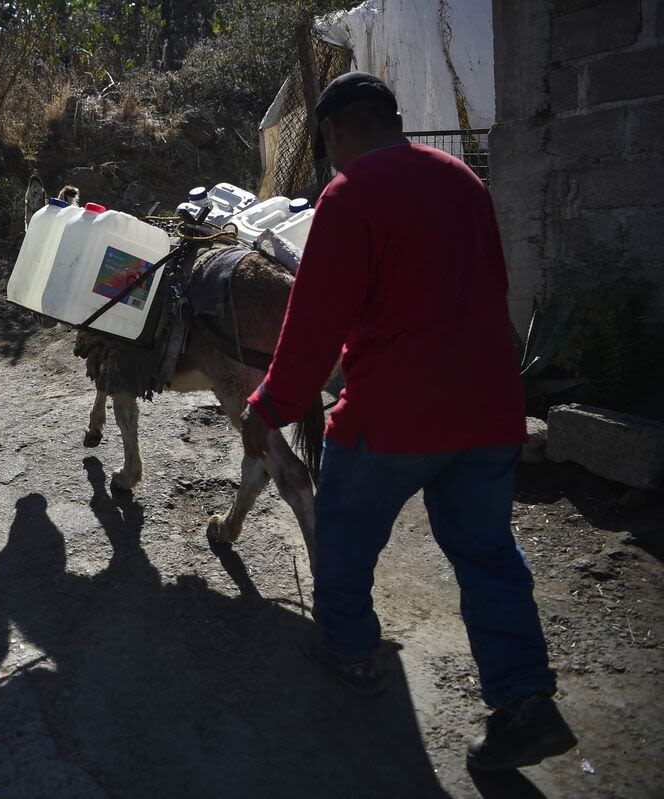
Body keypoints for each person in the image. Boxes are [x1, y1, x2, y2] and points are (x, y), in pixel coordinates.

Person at [240, 72, 577, 772]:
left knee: (344, 531)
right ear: (395, 118)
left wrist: (268, 407)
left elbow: (313, 327)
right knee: (486, 551)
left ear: (336, 133)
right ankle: (525, 703)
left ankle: (353, 651)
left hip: (392, 417)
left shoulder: (350, 193)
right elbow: (493, 291)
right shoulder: (465, 181)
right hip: (488, 410)